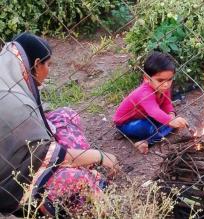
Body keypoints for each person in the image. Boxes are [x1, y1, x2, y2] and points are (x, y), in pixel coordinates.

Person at [0, 33, 119, 217]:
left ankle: (83, 168)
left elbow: (42, 119)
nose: (49, 71)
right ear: (36, 64)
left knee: (65, 116)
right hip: (14, 186)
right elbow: (50, 155)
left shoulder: (9, 76)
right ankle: (55, 202)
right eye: (49, 65)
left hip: (23, 157)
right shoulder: (17, 107)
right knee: (76, 180)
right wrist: (100, 156)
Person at [113, 51, 189, 154]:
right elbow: (154, 111)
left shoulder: (163, 87)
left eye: (170, 79)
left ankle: (149, 139)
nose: (166, 84)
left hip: (145, 116)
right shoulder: (144, 92)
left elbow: (167, 104)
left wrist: (171, 115)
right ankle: (147, 140)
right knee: (149, 128)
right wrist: (170, 121)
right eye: (160, 80)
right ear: (147, 78)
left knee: (170, 124)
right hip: (126, 122)